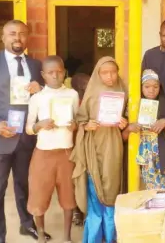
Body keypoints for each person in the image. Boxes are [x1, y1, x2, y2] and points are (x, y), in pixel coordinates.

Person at [0, 20, 52, 242]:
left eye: (22, 34)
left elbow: (45, 100)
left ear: (28, 38)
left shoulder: (35, 66)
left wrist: (41, 89)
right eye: (12, 34)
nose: (18, 38)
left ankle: (26, 224)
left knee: (24, 185)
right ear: (3, 38)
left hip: (27, 139)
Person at [70, 56, 128, 243]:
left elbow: (128, 117)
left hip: (114, 148)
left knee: (112, 190)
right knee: (95, 191)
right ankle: (94, 238)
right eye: (105, 72)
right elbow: (80, 119)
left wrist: (124, 123)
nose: (110, 76)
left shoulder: (123, 90)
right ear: (98, 74)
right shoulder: (92, 92)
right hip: (93, 148)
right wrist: (87, 126)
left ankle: (110, 237)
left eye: (113, 72)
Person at [25, 56, 79, 243]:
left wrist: (74, 126)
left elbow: (77, 121)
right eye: (50, 72)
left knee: (68, 196)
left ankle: (67, 237)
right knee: (39, 195)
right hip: (43, 154)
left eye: (59, 71)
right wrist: (40, 125)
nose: (55, 75)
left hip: (66, 153)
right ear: (43, 75)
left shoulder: (72, 94)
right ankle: (40, 235)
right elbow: (28, 128)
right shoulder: (37, 98)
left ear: (64, 72)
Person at [123, 69, 165, 189]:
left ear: (160, 87)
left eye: (155, 87)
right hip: (145, 161)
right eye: (147, 86)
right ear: (141, 87)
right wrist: (128, 129)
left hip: (164, 159)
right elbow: (122, 138)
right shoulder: (133, 107)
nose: (151, 90)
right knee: (148, 197)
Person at [70, 72, 91, 226]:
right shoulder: (72, 100)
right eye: (82, 84)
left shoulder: (92, 99)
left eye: (88, 83)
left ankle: (85, 209)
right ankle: (77, 210)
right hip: (74, 144)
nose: (86, 86)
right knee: (76, 177)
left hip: (90, 143)